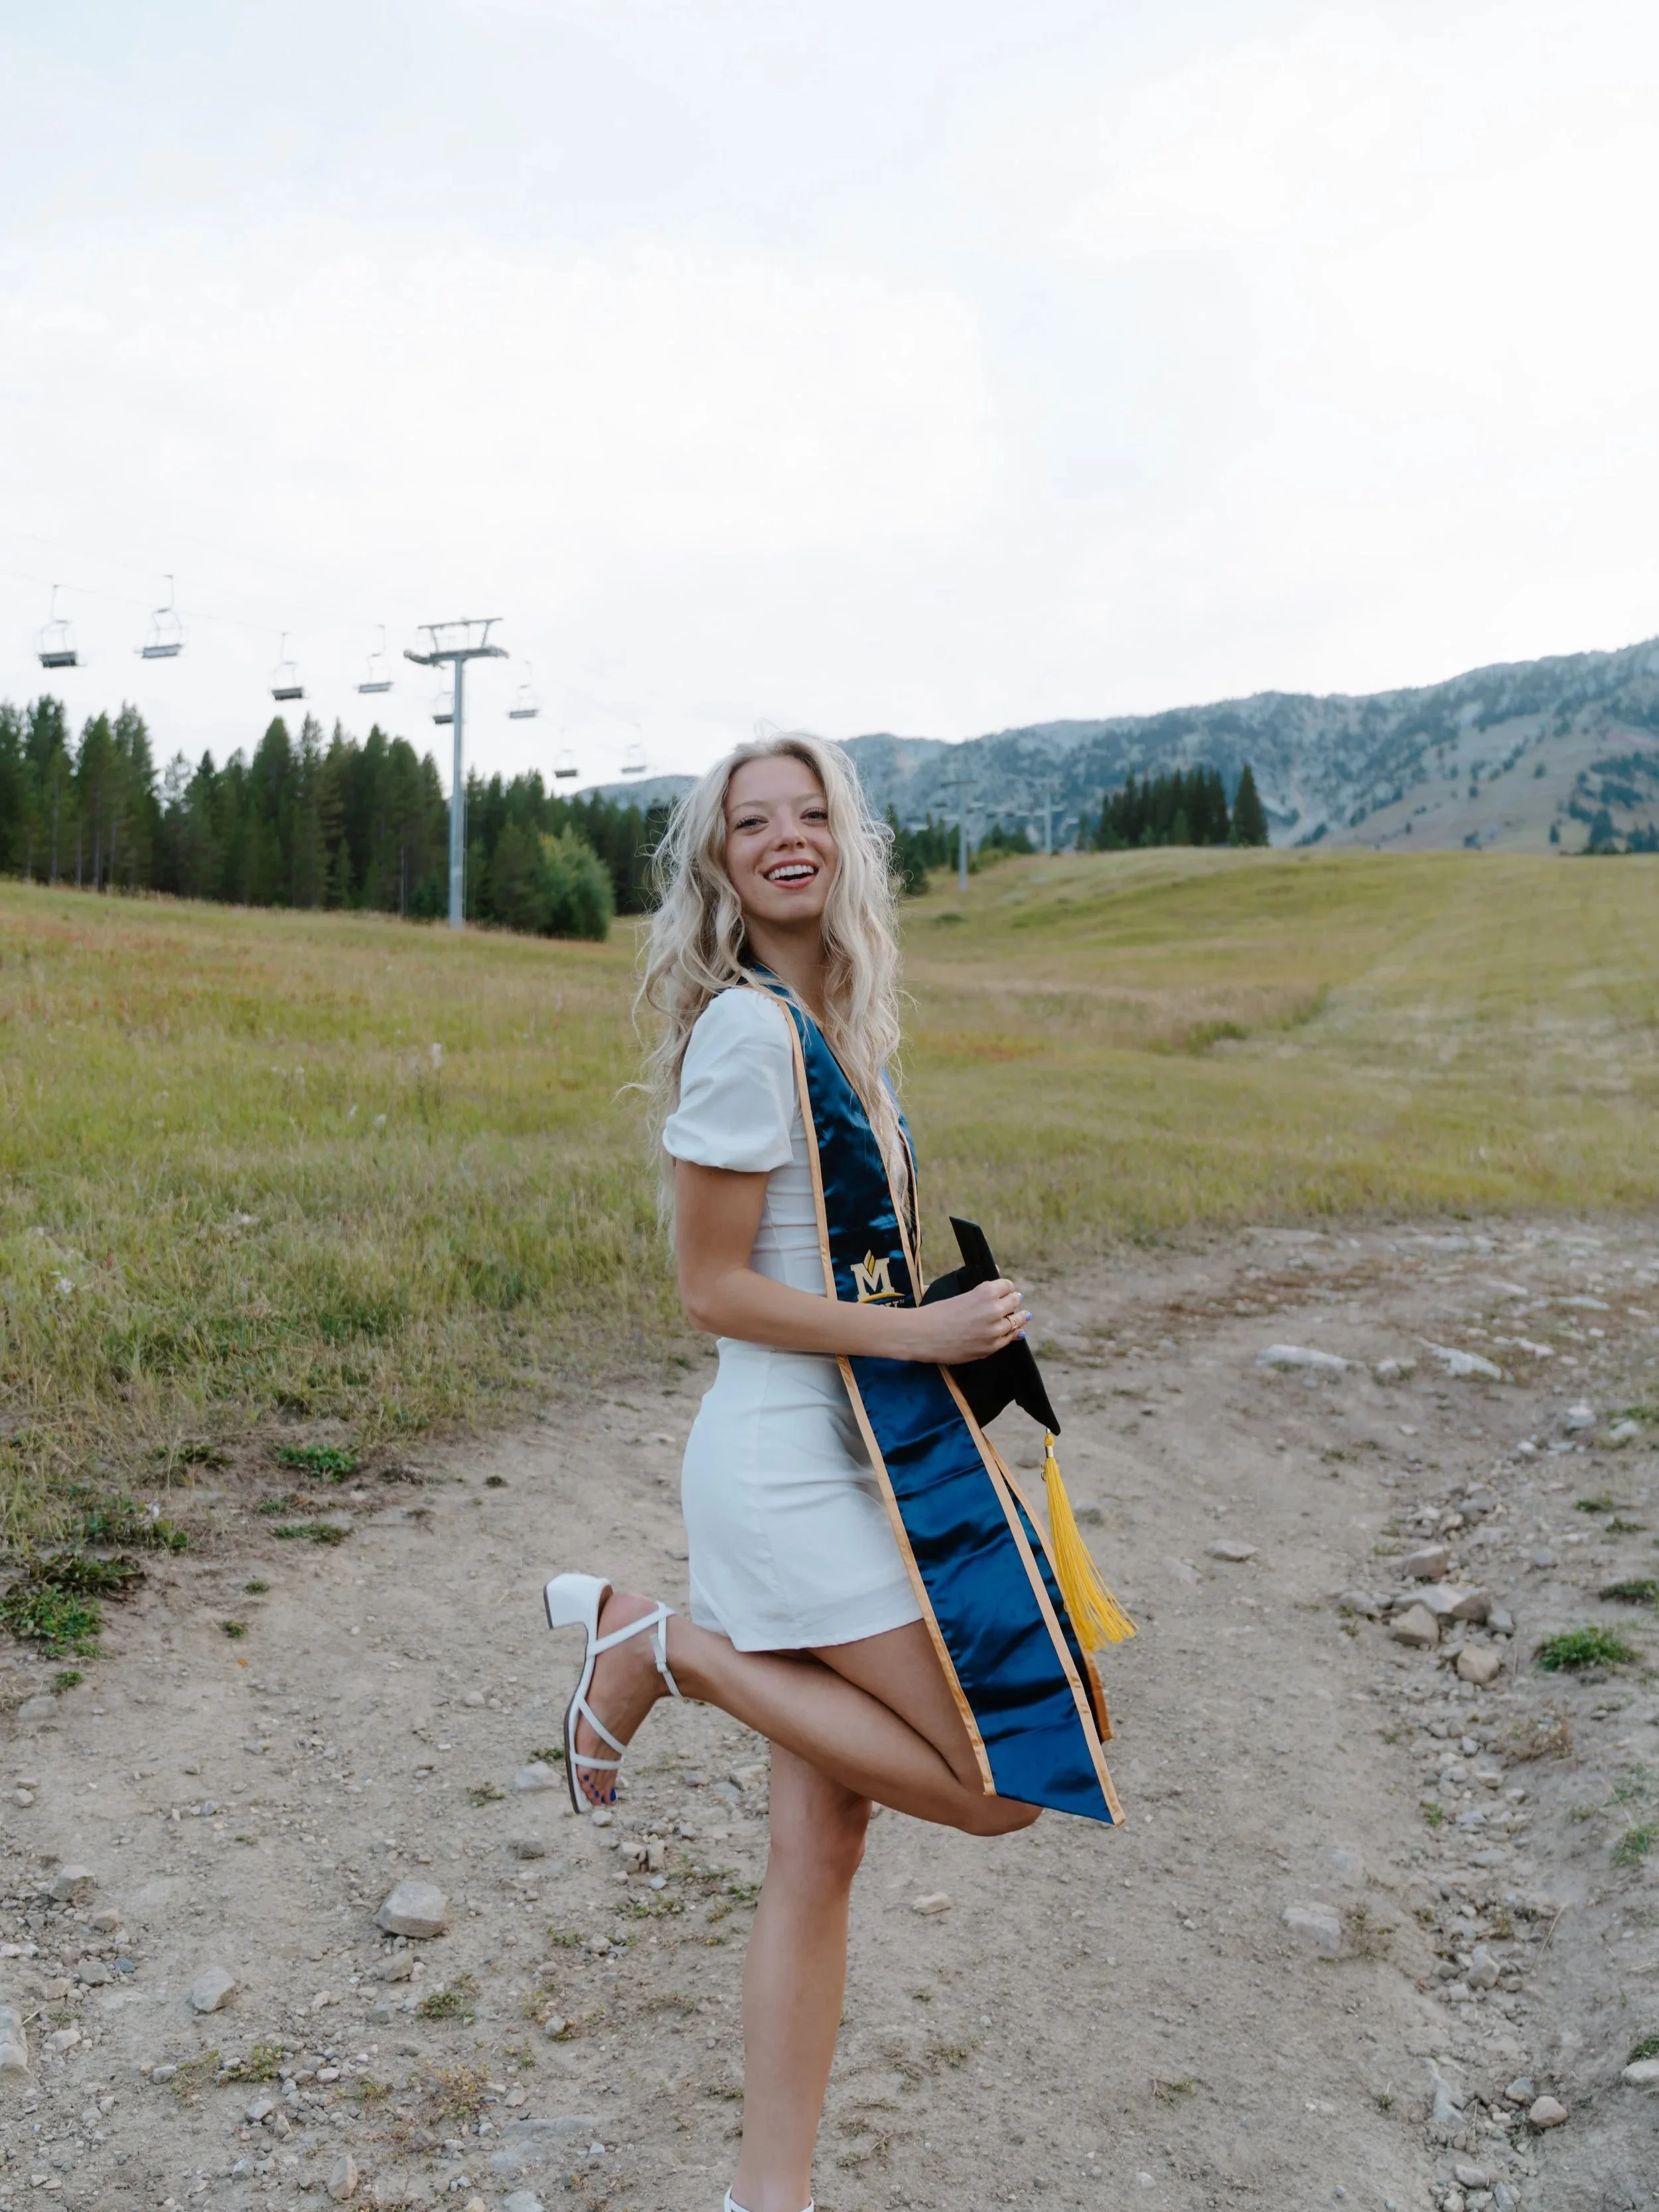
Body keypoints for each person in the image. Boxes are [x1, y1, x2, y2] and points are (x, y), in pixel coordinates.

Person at [543, 733, 1117, 2212]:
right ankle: (663, 1646)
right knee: (1000, 1787)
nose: (785, 835)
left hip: (848, 1451)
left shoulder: (833, 1023)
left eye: (811, 814)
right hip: (782, 1465)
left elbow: (833, 1262)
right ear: (718, 860)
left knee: (818, 1843)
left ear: (845, 846)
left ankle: (765, 2198)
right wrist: (911, 1324)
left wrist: (949, 1334)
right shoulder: (746, 1032)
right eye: (753, 820)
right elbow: (710, 1290)